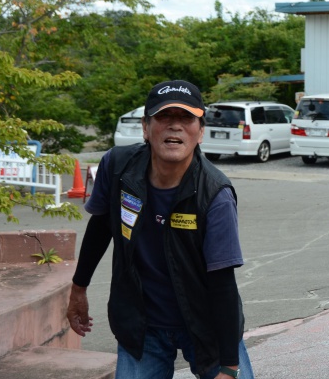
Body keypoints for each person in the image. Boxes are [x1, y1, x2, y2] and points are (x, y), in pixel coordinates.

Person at [66, 80, 255, 379]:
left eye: (186, 118)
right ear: (146, 127)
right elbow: (102, 225)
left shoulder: (215, 194)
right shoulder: (117, 168)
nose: (175, 127)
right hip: (142, 324)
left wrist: (230, 368)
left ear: (201, 131)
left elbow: (222, 282)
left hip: (206, 323)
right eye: (165, 117)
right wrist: (78, 288)